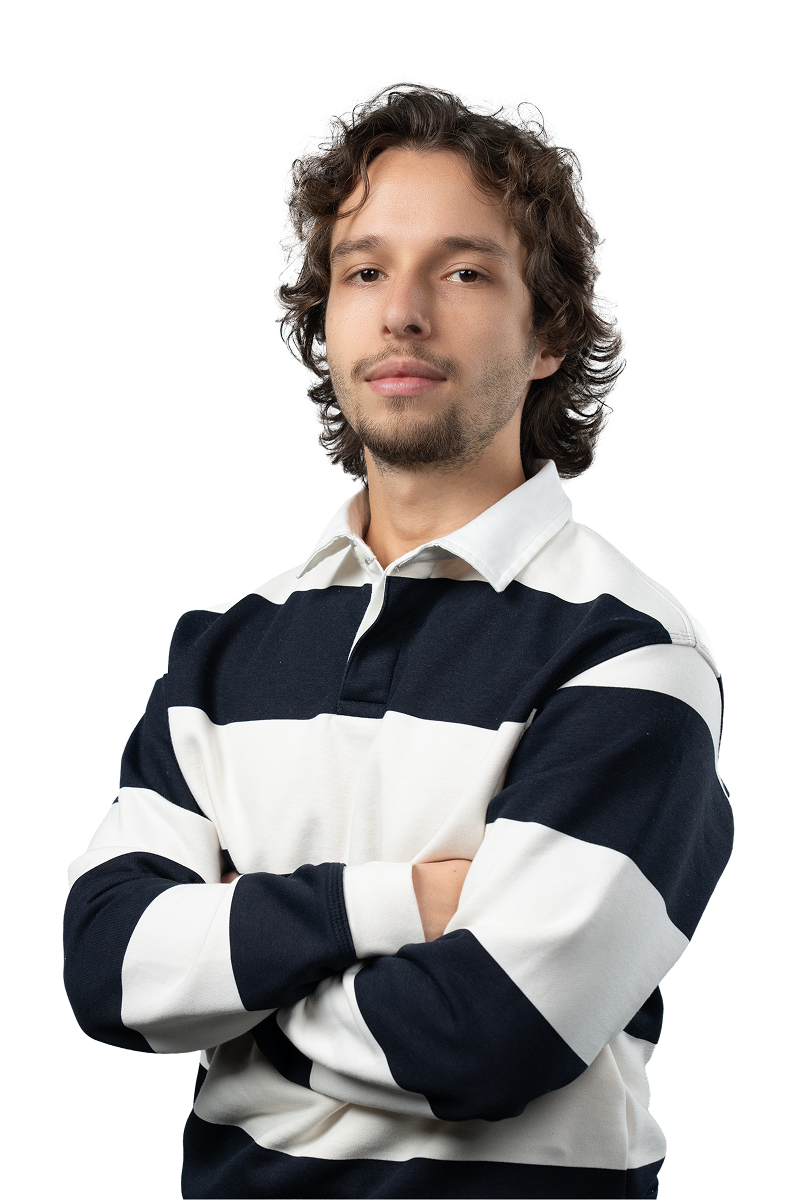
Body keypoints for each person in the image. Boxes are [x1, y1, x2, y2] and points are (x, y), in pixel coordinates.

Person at [62, 77, 733, 1199]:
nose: (402, 313)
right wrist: (399, 905)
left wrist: (231, 1001)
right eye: (364, 271)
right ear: (322, 319)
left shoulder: (629, 649)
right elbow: (107, 969)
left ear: (549, 333)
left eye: (463, 272)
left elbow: (489, 1036)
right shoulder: (220, 648)